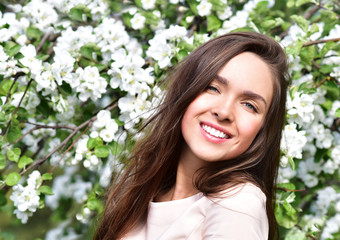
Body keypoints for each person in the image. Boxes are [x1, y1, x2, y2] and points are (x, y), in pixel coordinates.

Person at [94, 32, 290, 240]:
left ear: (263, 130)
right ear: (187, 90)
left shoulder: (237, 203)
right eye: (213, 88)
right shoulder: (144, 196)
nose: (223, 112)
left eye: (249, 105)